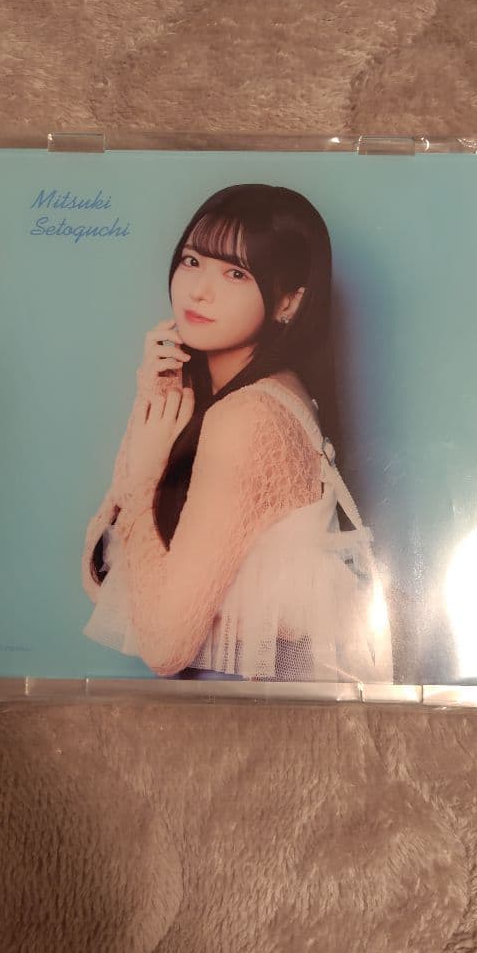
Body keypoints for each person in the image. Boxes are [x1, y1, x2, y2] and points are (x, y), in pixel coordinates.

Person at [81, 183, 392, 683]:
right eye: (192, 261)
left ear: (288, 302)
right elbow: (103, 574)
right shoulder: (263, 392)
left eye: (235, 273)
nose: (199, 290)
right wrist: (157, 396)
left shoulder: (248, 418)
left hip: (260, 716)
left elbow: (162, 648)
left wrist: (143, 483)